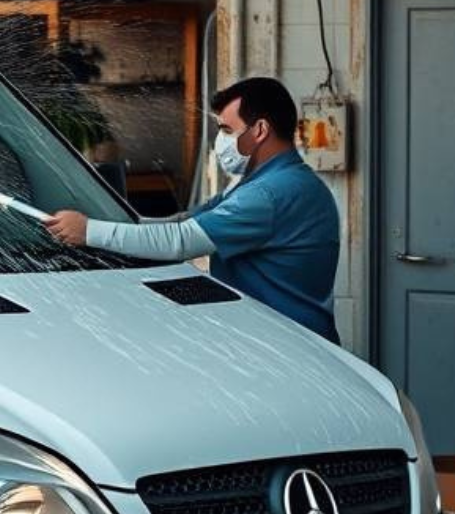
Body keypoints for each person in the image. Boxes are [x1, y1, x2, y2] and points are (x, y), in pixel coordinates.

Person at [43, 77, 341, 342]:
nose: (220, 141)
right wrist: (113, 221)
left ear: (260, 129)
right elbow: (184, 221)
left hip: (289, 345)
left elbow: (180, 240)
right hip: (288, 338)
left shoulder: (269, 194)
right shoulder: (272, 182)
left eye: (227, 129)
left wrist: (88, 231)